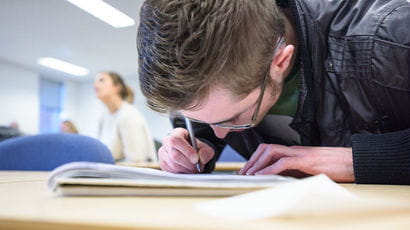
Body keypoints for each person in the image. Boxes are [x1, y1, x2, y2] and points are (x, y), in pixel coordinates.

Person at [137, 0, 410, 184]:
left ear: (280, 61)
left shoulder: (391, 39)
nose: (221, 131)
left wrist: (357, 161)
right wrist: (197, 147)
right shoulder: (202, 79)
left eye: (236, 117)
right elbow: (209, 122)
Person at [94, 71, 157, 163]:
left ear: (117, 87)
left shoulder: (129, 114)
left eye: (101, 80)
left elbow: (136, 159)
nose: (95, 84)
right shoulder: (104, 117)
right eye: (95, 81)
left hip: (131, 173)